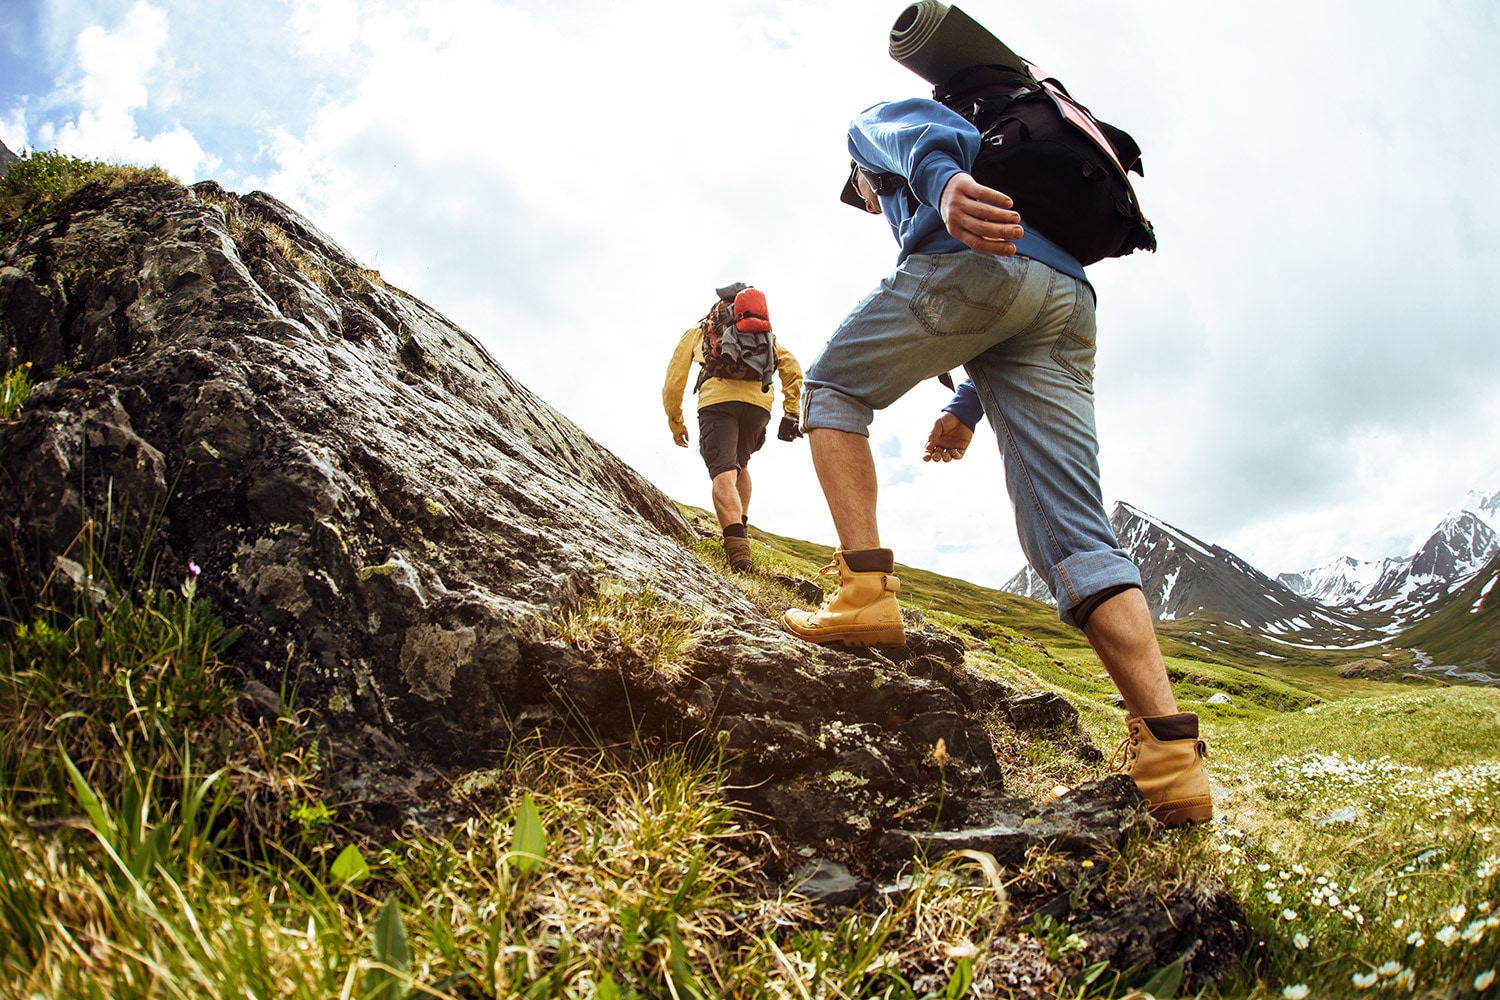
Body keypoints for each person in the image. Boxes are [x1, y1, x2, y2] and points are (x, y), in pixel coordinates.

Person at [778, 68, 1211, 825]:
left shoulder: (878, 125)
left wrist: (941, 189)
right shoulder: (1033, 186)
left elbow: (919, 137)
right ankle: (1173, 763)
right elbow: (1015, 311)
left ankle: (863, 595)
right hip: (1068, 297)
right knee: (1076, 536)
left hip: (977, 258)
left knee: (832, 392)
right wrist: (967, 408)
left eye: (862, 194)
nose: (868, 200)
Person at [663, 285, 804, 572]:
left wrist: (675, 421)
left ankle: (738, 554)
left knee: (723, 471)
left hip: (718, 402)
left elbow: (675, 378)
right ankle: (741, 532)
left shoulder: (701, 332)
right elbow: (792, 367)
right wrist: (792, 411)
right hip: (758, 406)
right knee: (740, 464)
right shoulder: (765, 335)